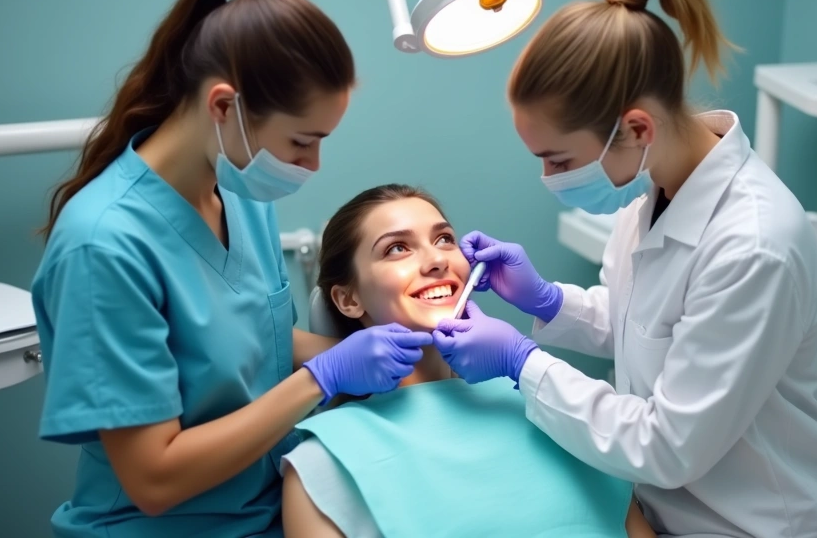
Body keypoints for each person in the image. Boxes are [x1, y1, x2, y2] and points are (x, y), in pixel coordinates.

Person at [431, 0, 817, 536]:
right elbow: (645, 328)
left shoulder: (755, 247)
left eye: (559, 160)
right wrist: (547, 300)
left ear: (636, 129)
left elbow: (668, 445)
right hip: (658, 510)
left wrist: (522, 363)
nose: (550, 179)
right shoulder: (651, 194)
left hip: (751, 523)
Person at [31, 0, 432, 537]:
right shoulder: (103, 247)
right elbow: (154, 479)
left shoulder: (238, 194)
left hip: (269, 505)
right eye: (302, 142)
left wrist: (384, 357)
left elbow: (254, 337)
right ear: (224, 106)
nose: (312, 165)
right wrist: (323, 377)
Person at [279, 184, 656, 538]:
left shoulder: (550, 404)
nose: (436, 260)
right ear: (348, 300)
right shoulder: (325, 463)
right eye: (397, 248)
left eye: (444, 239)